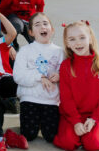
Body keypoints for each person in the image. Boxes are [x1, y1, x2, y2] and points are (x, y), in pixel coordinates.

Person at [53, 21, 99, 151]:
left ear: (90, 38)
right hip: (71, 116)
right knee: (67, 143)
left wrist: (94, 119)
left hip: (94, 117)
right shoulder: (66, 66)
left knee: (93, 145)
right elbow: (66, 98)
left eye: (82, 37)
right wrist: (76, 122)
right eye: (72, 39)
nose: (78, 43)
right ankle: (81, 134)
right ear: (67, 43)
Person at [12, 13, 64, 143]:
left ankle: (41, 122)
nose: (42, 27)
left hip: (51, 101)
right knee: (28, 135)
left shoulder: (60, 52)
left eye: (45, 24)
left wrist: (60, 75)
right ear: (31, 32)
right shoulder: (25, 50)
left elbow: (67, 73)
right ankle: (34, 123)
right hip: (30, 99)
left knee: (51, 137)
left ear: (52, 29)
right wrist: (39, 77)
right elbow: (18, 76)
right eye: (37, 24)